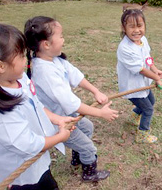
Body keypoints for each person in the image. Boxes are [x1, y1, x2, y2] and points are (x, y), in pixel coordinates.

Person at [24, 16, 118, 182]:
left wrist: (95, 91)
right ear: (46, 44)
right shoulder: (44, 72)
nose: (63, 39)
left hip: (66, 114)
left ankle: (77, 158)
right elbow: (71, 102)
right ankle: (89, 173)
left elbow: (75, 75)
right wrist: (100, 113)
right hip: (56, 122)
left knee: (87, 127)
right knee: (89, 147)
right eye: (60, 36)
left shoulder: (55, 60)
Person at [0, 23, 77, 189]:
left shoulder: (20, 78)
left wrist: (58, 119)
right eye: (22, 56)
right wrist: (60, 137)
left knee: (46, 180)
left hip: (38, 158)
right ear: (0, 66)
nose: (27, 59)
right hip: (17, 171)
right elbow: (26, 144)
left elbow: (36, 105)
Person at [116, 7, 162, 143]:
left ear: (144, 25)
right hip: (132, 86)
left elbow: (147, 58)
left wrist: (155, 70)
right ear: (123, 27)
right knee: (148, 109)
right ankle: (142, 134)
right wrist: (156, 78)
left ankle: (134, 116)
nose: (136, 30)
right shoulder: (125, 48)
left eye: (140, 26)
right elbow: (141, 69)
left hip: (143, 84)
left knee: (152, 101)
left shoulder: (143, 40)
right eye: (131, 26)